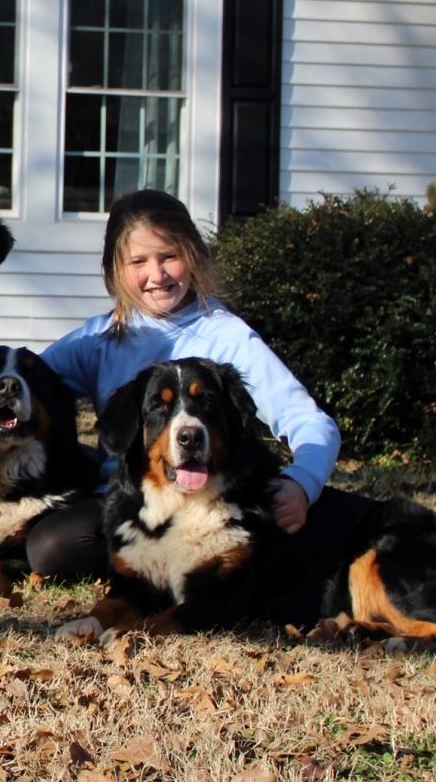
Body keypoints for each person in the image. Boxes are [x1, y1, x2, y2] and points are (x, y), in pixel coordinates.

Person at [29, 188, 340, 580]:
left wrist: (302, 482)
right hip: (125, 500)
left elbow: (311, 423)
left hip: (207, 506)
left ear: (193, 254)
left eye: (169, 257)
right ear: (114, 269)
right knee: (50, 548)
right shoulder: (101, 338)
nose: (156, 275)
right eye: (138, 261)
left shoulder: (228, 337)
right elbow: (30, 383)